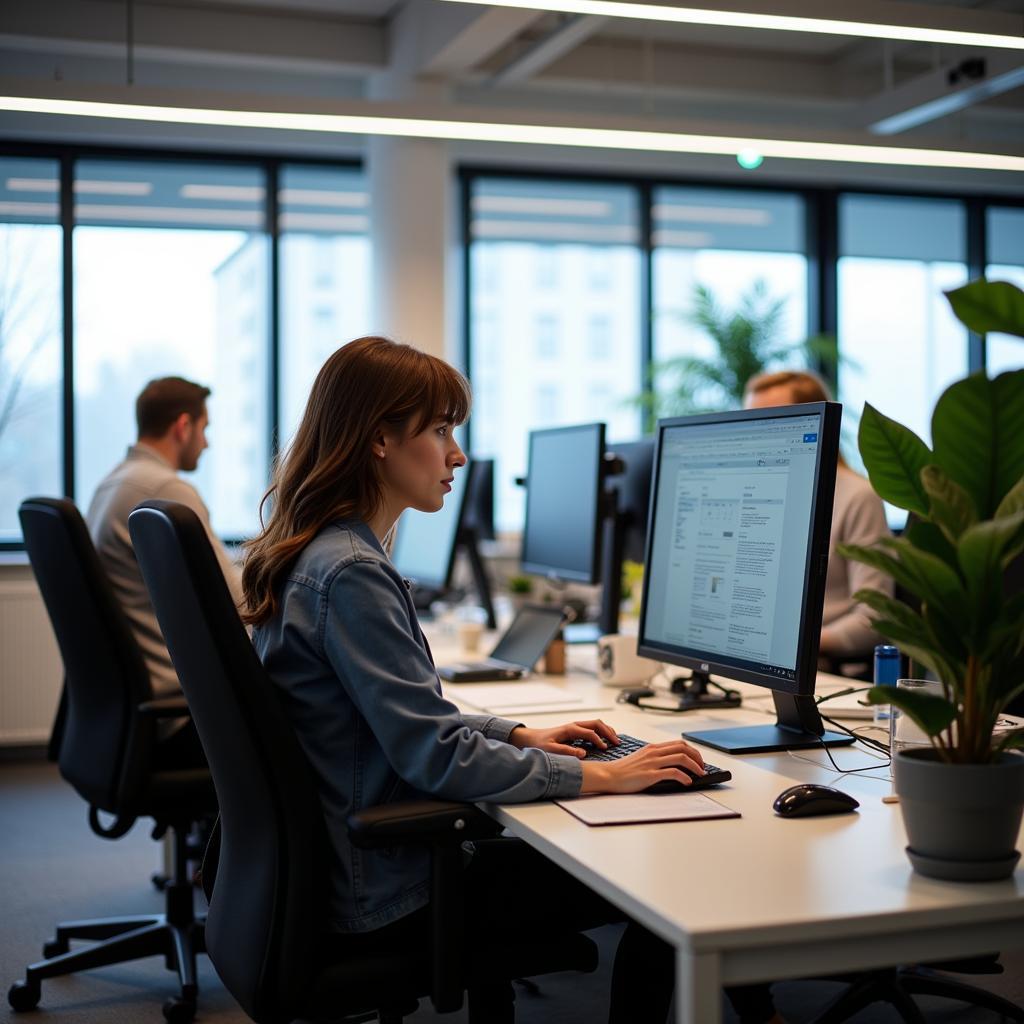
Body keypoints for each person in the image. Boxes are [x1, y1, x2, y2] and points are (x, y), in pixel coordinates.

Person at [242, 336, 780, 1024]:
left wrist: (520, 733)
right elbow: (430, 755)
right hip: (389, 893)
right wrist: (607, 777)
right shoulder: (351, 573)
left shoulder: (321, 554)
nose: (457, 456)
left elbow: (403, 723)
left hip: (348, 871)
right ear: (380, 439)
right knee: (668, 875)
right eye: (440, 432)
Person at [87, 375, 243, 756]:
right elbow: (238, 604)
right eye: (204, 429)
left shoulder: (112, 484)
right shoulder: (165, 490)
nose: (206, 443)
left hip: (130, 711)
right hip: (181, 714)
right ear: (183, 426)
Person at [743, 369, 894, 668]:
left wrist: (799, 648)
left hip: (822, 667)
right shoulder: (753, 495)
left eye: (772, 422)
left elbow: (875, 618)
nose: (759, 436)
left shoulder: (857, 497)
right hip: (752, 658)